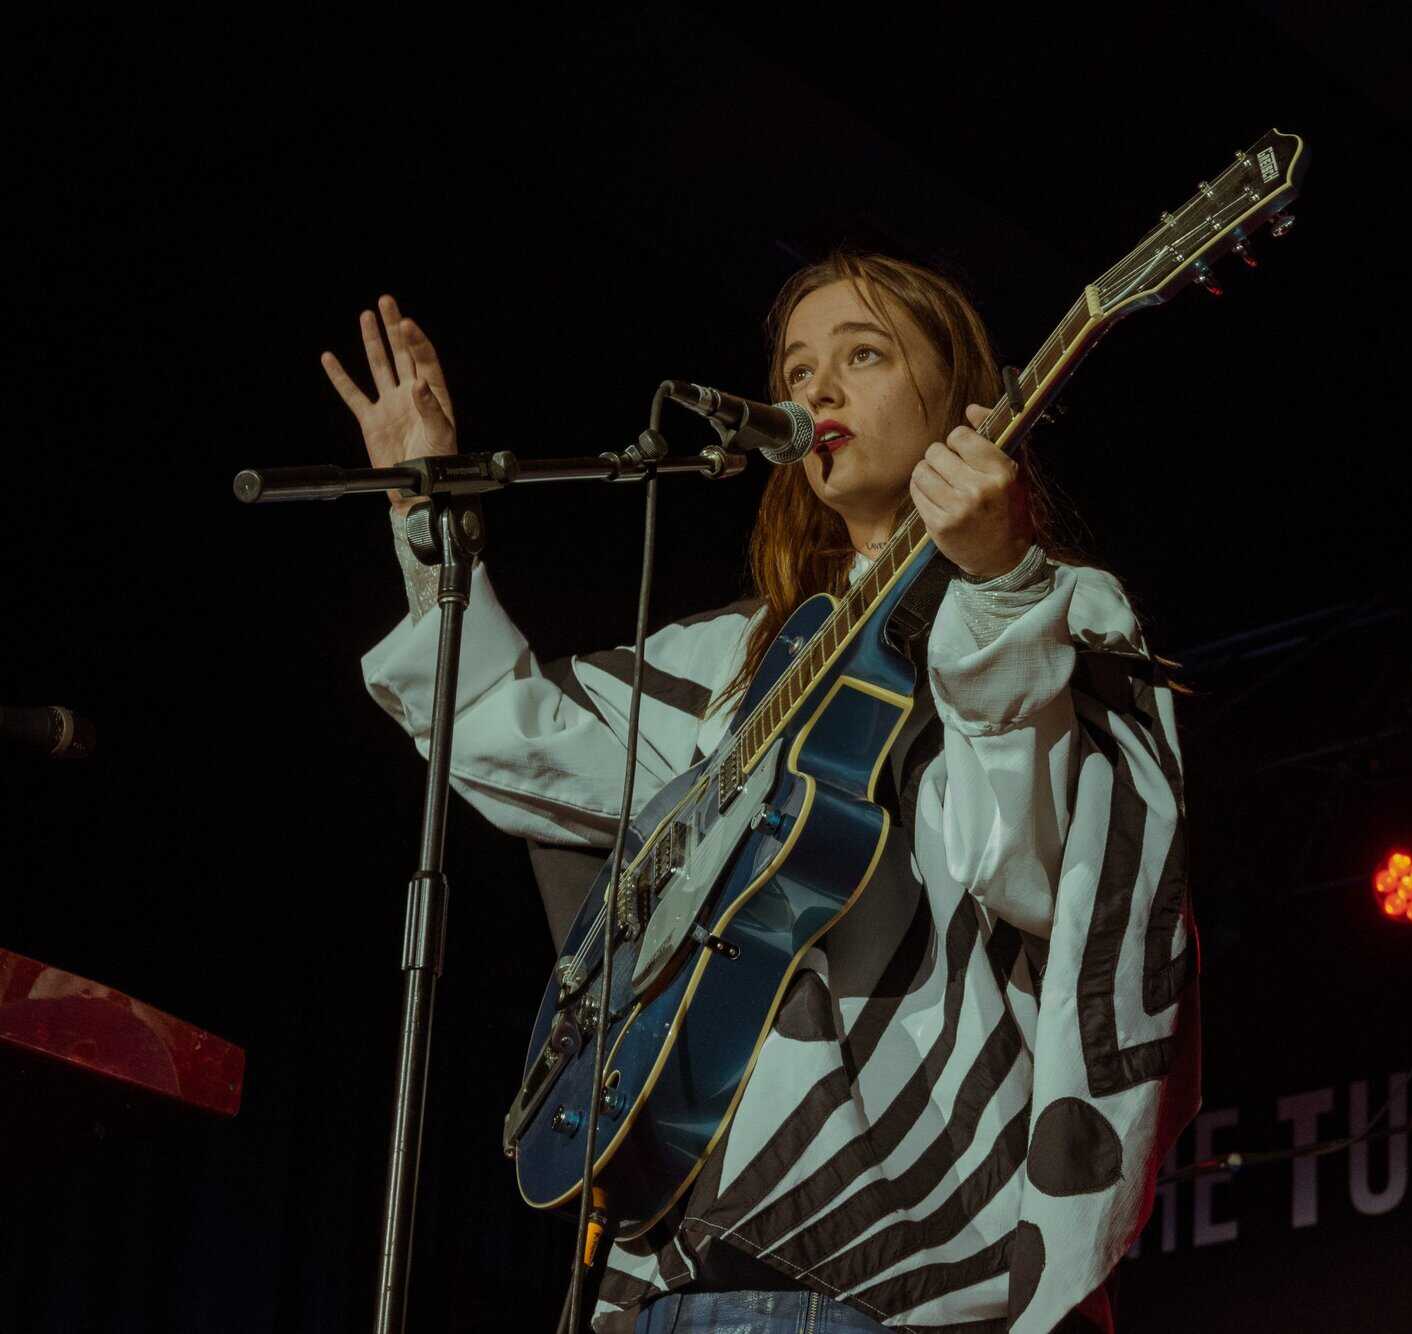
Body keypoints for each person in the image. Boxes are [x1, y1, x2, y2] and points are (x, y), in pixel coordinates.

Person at [325, 254, 1198, 1333]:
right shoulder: (736, 662)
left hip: (891, 1284)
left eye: (863, 355)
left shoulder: (1048, 610)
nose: (817, 389)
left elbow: (1039, 874)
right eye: (796, 369)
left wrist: (999, 584)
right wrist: (420, 507)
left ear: (960, 397)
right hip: (671, 1279)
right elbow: (507, 733)